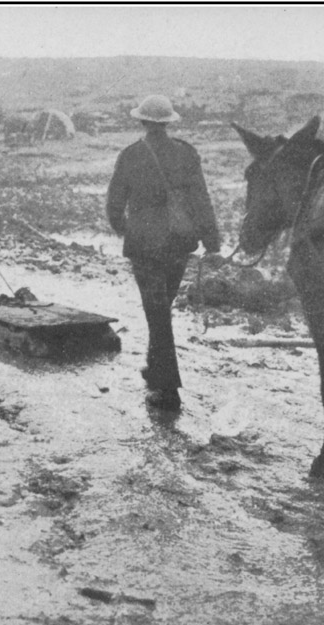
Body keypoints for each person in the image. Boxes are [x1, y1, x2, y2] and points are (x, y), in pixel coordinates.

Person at [107, 95, 221, 411]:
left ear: (142, 121)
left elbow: (114, 205)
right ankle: (155, 369)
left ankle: (168, 387)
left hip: (144, 243)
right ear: (169, 122)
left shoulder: (130, 155)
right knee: (161, 310)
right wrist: (212, 240)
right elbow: (202, 198)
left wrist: (124, 228)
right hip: (178, 242)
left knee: (156, 312)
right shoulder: (186, 153)